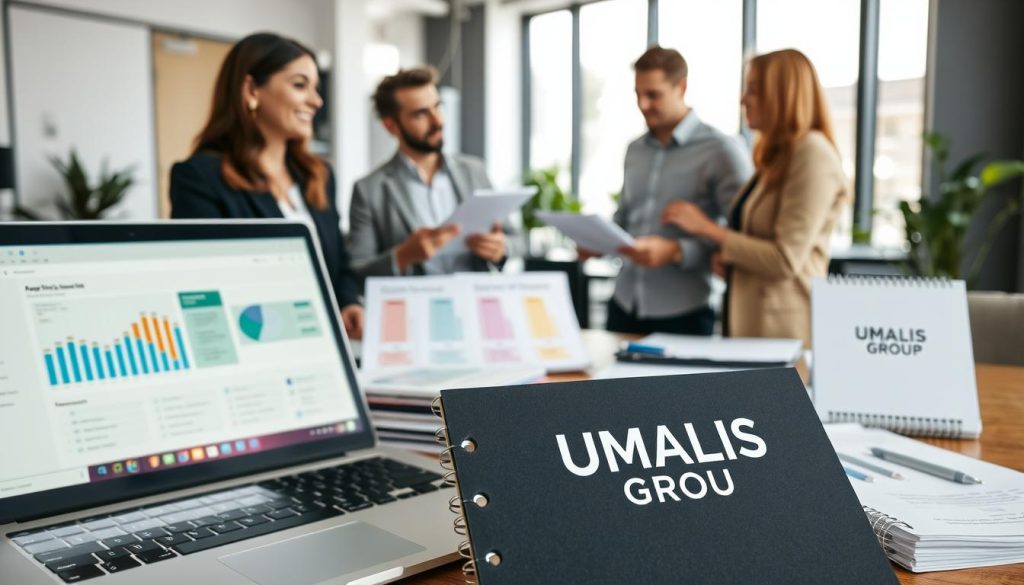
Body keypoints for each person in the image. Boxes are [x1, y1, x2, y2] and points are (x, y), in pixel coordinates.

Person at [169, 32, 364, 339]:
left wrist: (348, 302)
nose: (316, 101)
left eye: (316, 88)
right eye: (300, 85)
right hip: (257, 342)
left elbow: (339, 264)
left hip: (327, 345)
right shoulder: (201, 177)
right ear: (251, 90)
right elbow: (205, 285)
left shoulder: (318, 175)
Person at [661, 48, 849, 348]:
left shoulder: (812, 154)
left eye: (753, 90)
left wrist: (707, 229)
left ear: (783, 95)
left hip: (783, 333)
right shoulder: (777, 158)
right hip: (751, 327)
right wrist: (731, 258)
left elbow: (785, 259)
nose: (743, 99)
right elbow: (760, 244)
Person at [590, 46, 752, 335]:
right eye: (637, 94)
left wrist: (678, 251)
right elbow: (626, 216)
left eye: (653, 95)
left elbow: (744, 234)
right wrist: (596, 239)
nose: (643, 104)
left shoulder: (722, 150)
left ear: (681, 87)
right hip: (625, 303)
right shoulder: (635, 150)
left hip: (684, 311)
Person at [348, 66, 509, 276]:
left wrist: (500, 249)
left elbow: (515, 238)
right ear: (391, 126)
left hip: (474, 300)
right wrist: (403, 256)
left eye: (437, 107)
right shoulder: (368, 190)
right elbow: (357, 271)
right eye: (421, 114)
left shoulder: (474, 171)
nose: (438, 121)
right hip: (413, 304)